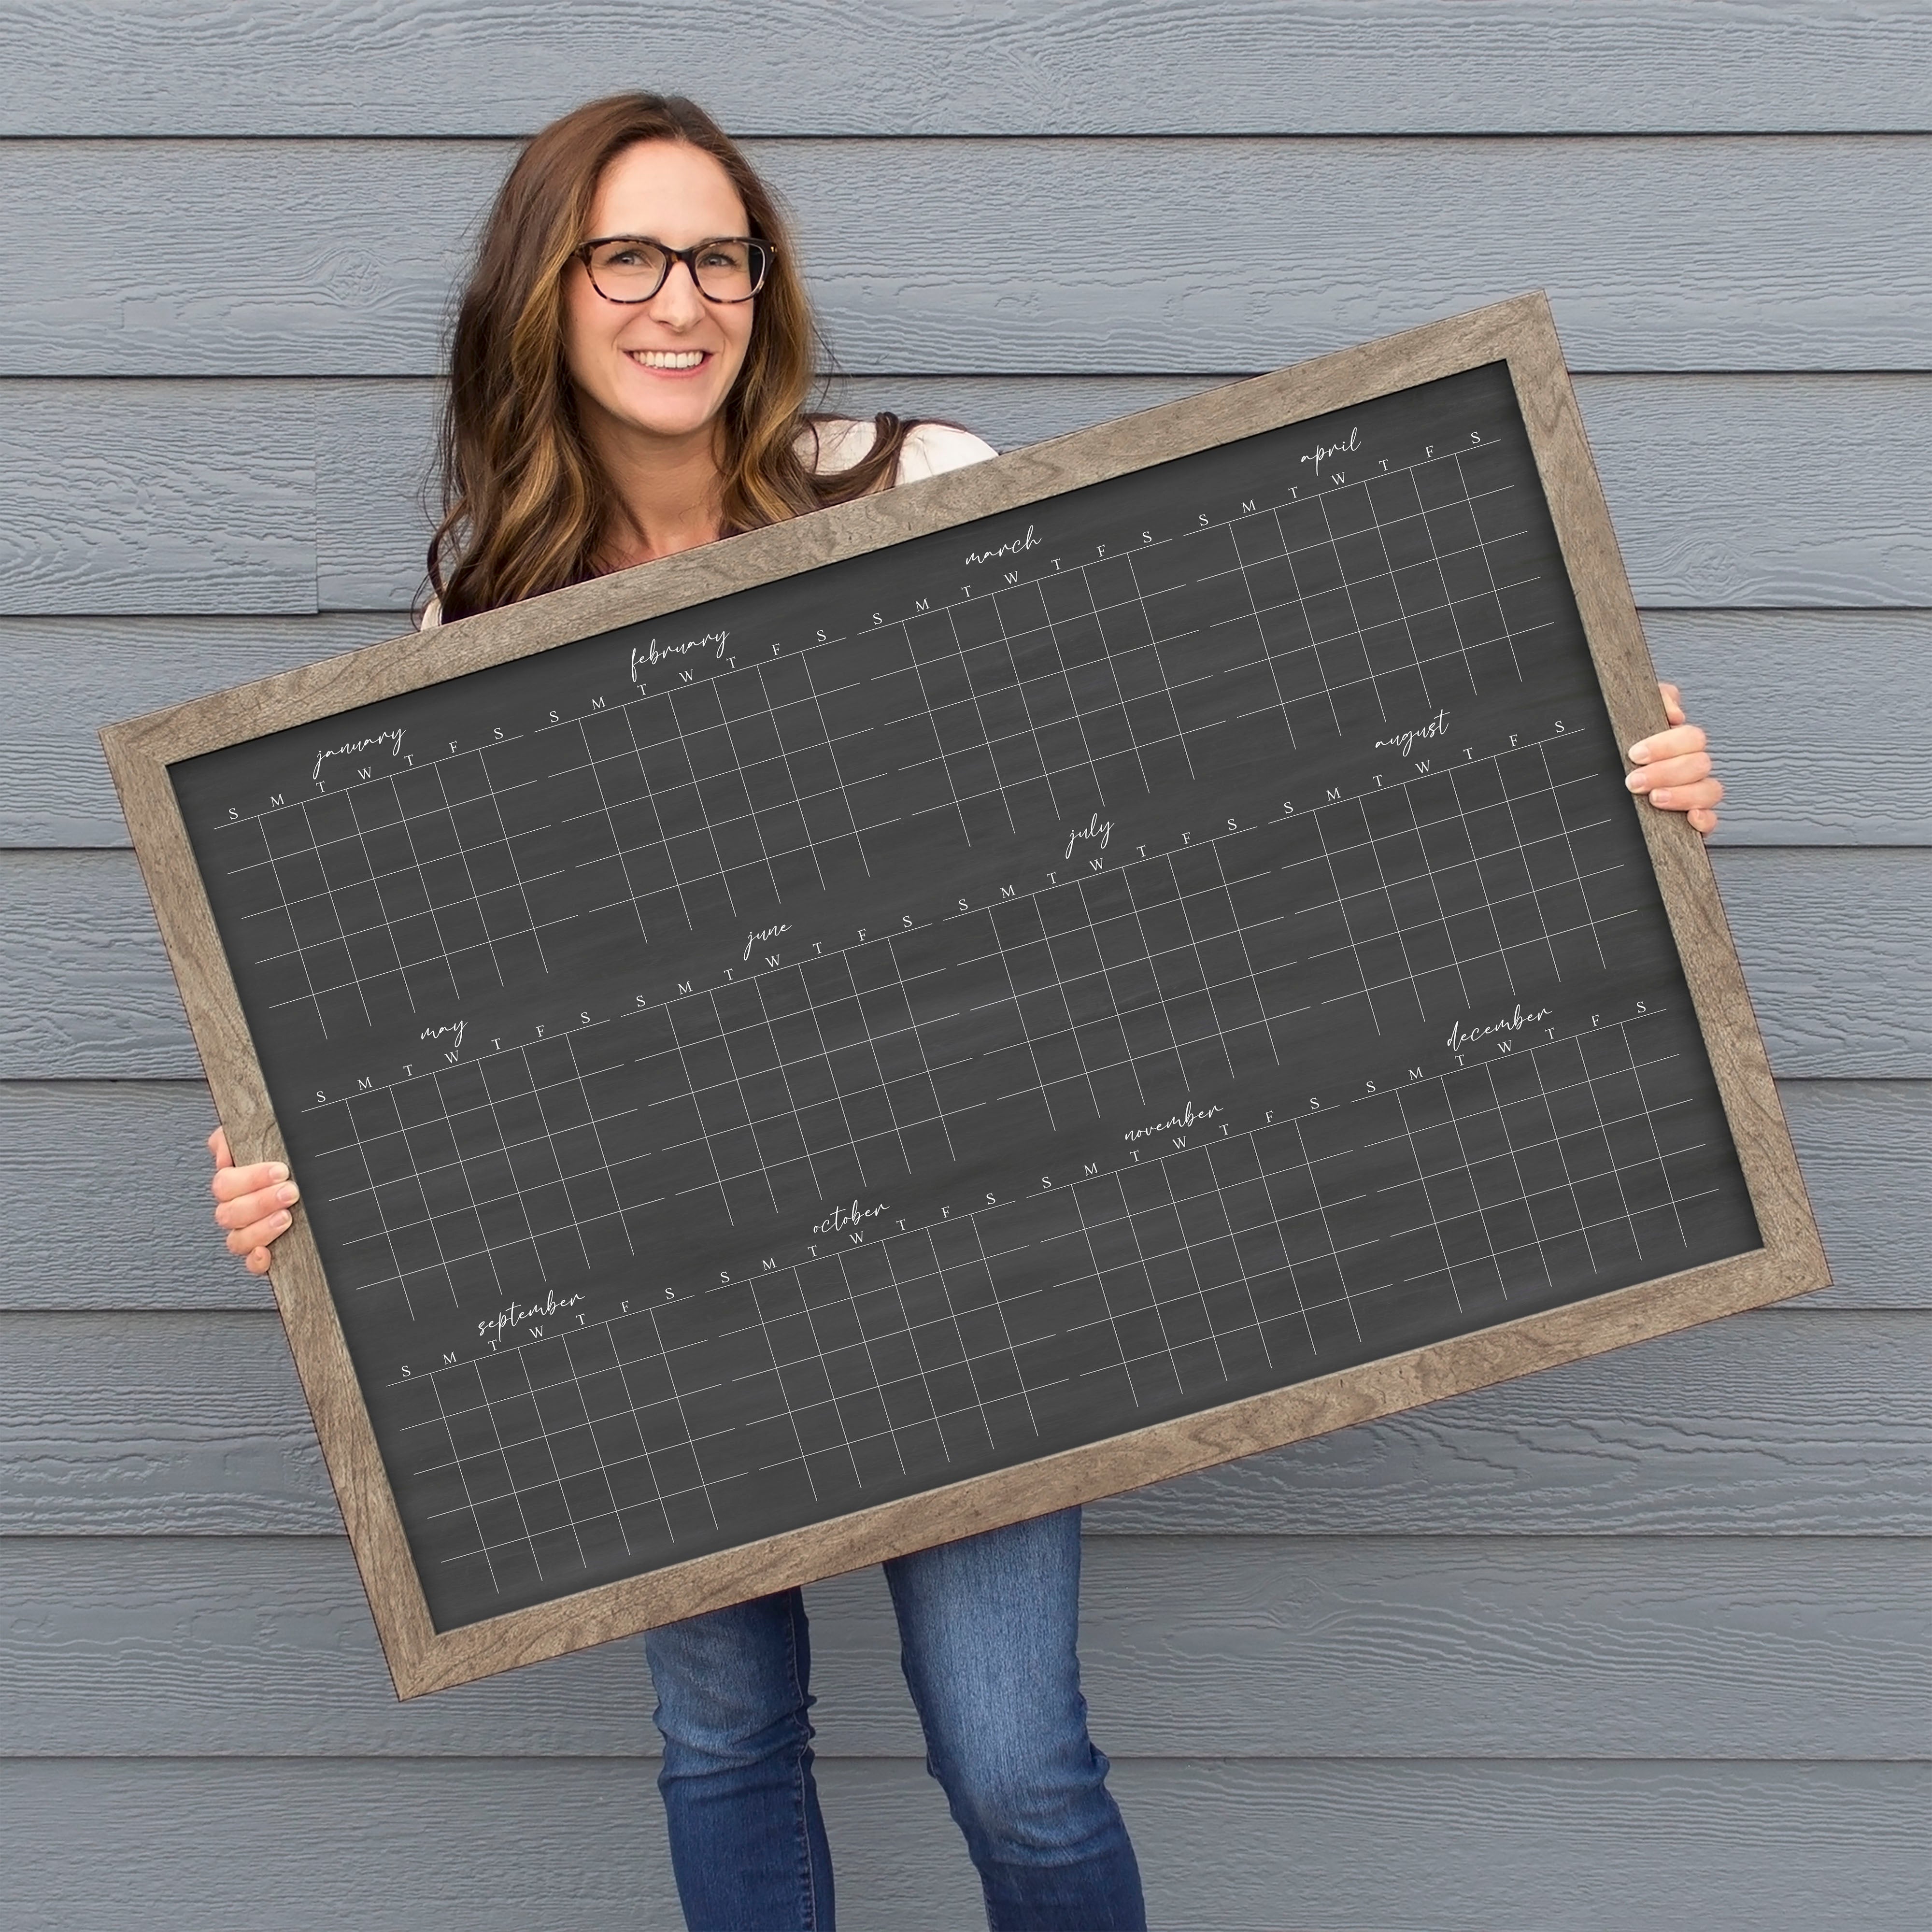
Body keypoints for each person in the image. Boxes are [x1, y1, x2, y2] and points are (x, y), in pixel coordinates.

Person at [207, 91, 1726, 1932]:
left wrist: (1594, 784)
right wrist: (304, 1186)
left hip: (980, 1234)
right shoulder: (478, 613)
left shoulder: (917, 486)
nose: (678, 303)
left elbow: (1211, 753)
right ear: (546, 288)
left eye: (719, 257)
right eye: (627, 256)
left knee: (1018, 1763)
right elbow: (444, 1015)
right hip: (675, 1262)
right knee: (724, 1737)